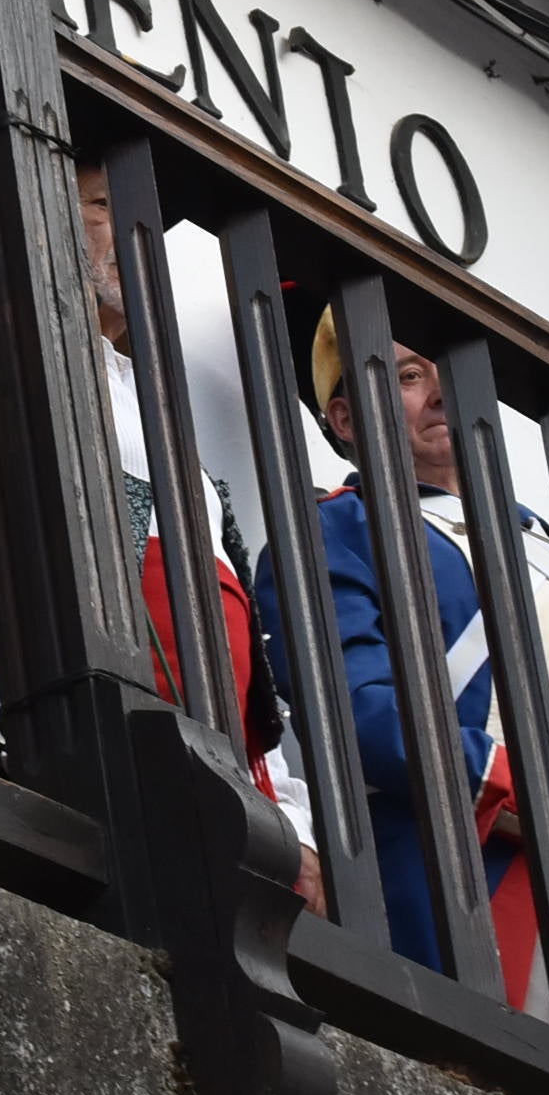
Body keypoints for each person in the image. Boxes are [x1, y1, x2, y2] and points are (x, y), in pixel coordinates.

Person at [260, 309, 549, 1010]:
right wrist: (540, 795)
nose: (438, 393)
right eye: (406, 375)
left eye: (446, 372)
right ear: (344, 419)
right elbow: (359, 717)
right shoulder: (336, 527)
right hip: (449, 874)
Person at [68, 156, 320, 907]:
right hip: (117, 771)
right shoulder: (20, 364)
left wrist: (290, 819)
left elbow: (226, 638)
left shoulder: (151, 407)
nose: (131, 234)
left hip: (214, 785)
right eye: (105, 204)